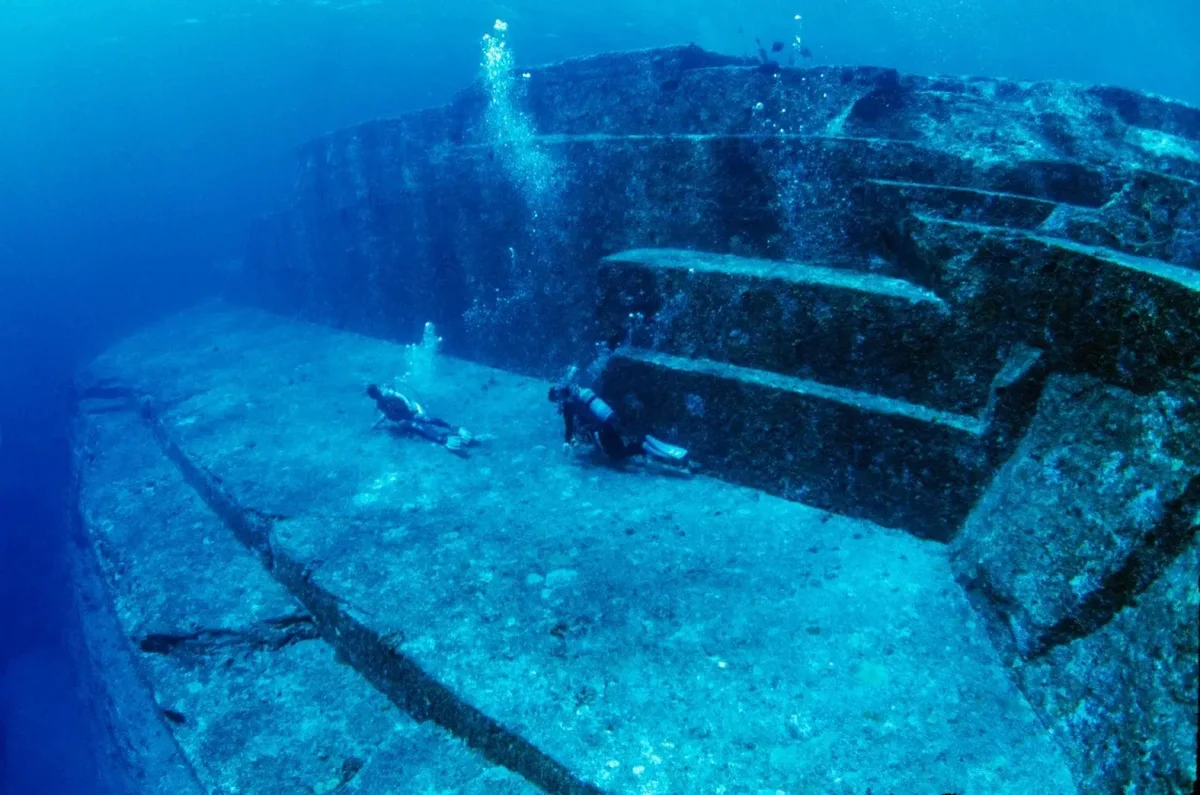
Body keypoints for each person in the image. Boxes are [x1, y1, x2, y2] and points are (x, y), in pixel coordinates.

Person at [548, 381, 689, 467]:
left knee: (615, 456)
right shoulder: (579, 391)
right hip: (612, 416)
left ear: (558, 397)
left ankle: (645, 450)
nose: (557, 405)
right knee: (622, 443)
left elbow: (570, 427)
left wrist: (566, 442)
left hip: (606, 424)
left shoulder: (568, 404)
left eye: (556, 401)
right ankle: (645, 441)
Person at [366, 384, 478, 455]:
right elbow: (387, 414)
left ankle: (450, 429)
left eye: (377, 394)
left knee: (424, 420)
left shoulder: (392, 395)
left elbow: (406, 403)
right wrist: (377, 424)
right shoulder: (380, 403)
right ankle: (442, 437)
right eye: (375, 396)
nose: (377, 396)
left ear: (378, 391)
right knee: (416, 427)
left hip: (413, 410)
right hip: (405, 416)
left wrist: (411, 417)